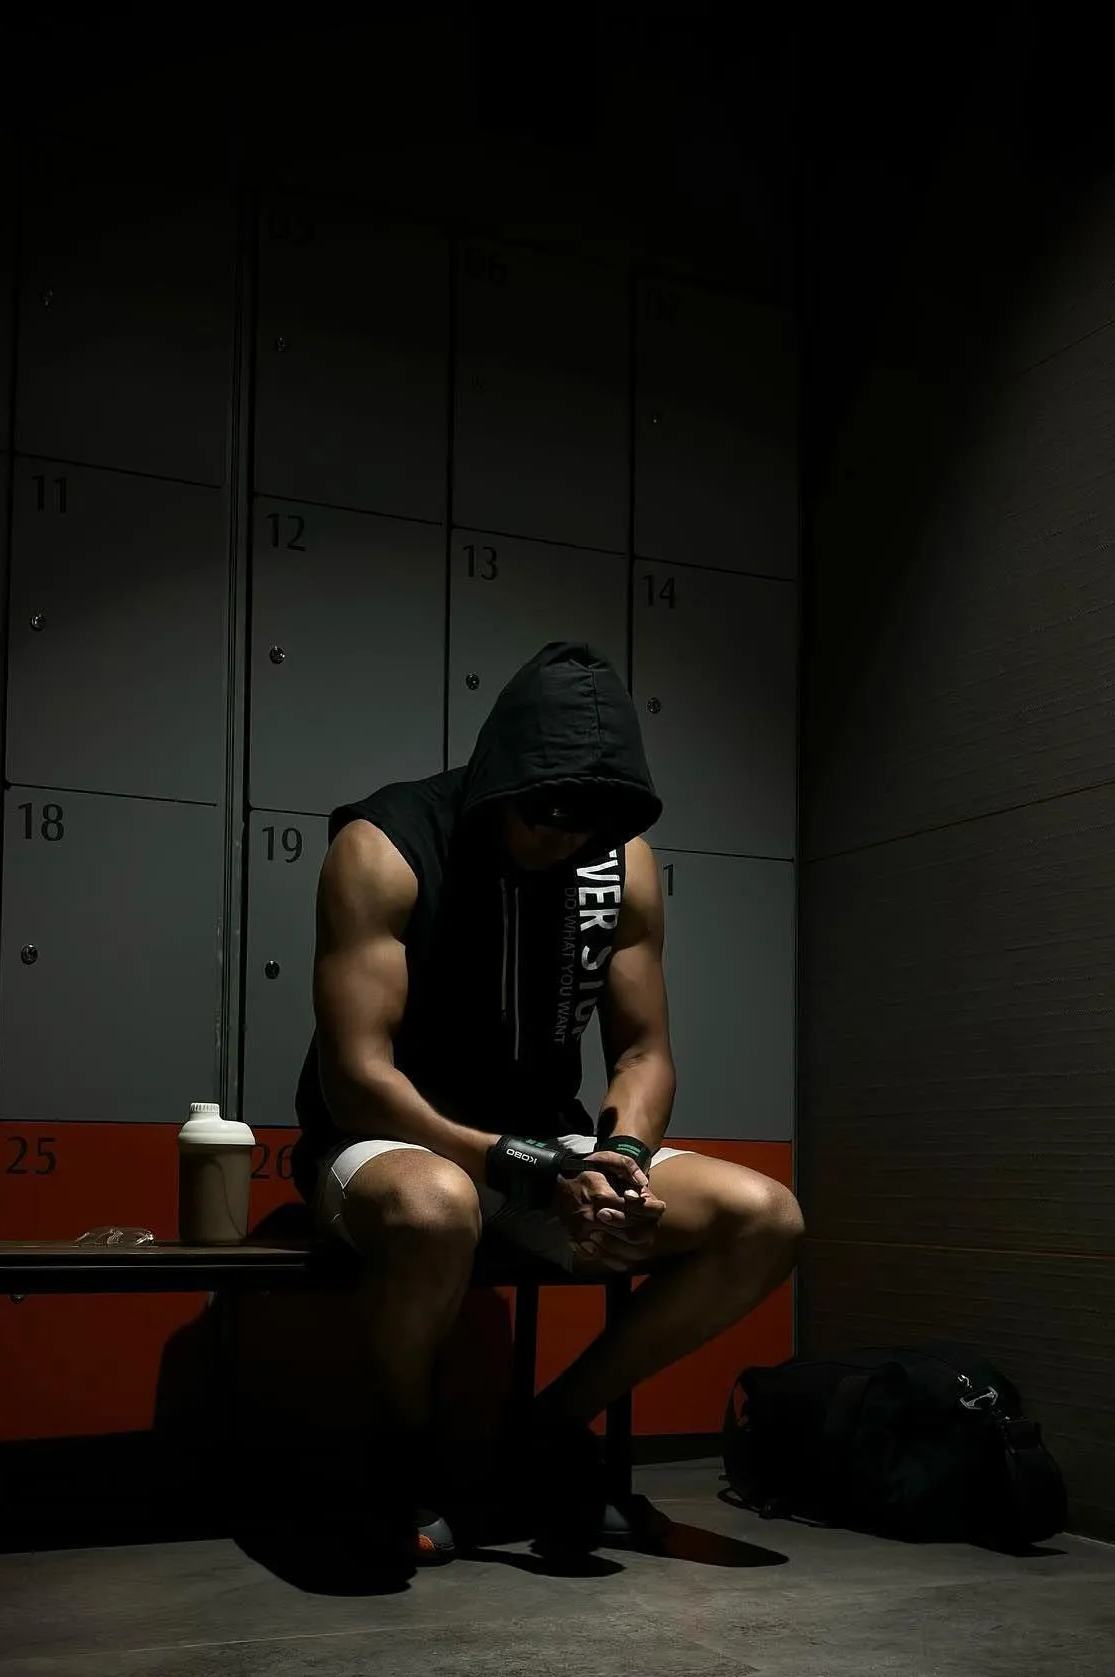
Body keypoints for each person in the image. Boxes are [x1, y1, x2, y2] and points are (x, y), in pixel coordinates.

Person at [290, 641, 804, 1569]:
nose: (568, 841)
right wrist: (518, 1167)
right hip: (386, 1141)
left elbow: (644, 1051)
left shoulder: (621, 864)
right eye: (547, 819)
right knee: (436, 1205)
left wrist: (623, 1160)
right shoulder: (386, 847)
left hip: (551, 1144)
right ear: (500, 783)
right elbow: (355, 1075)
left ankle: (546, 1433)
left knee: (766, 1218)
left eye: (592, 826)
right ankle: (407, 1457)